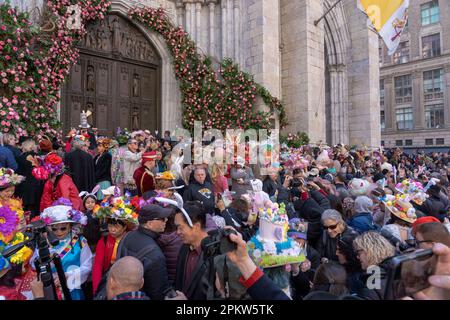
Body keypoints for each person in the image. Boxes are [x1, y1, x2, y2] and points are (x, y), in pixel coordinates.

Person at [32, 202, 93, 300]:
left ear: (70, 225)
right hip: (48, 289)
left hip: (72, 290)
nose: (58, 232)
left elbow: (87, 266)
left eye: (63, 228)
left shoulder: (80, 242)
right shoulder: (44, 242)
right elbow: (33, 262)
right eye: (54, 229)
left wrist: (68, 276)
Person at [117, 203, 172, 300]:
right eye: (162, 218)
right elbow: (157, 293)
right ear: (149, 223)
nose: (166, 220)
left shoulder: (127, 235)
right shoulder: (155, 255)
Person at [92, 198, 138, 296]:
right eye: (110, 226)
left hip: (127, 278)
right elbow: (98, 265)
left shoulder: (131, 239)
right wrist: (96, 288)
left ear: (125, 227)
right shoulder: (104, 241)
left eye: (116, 227)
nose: (112, 230)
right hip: (109, 277)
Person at [174, 202, 212, 300]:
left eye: (180, 227)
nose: (177, 232)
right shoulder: (184, 248)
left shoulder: (215, 254)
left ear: (196, 227)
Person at [353, 231, 396, 300]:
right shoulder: (394, 269)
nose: (357, 257)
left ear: (369, 251)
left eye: (358, 253)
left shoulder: (373, 284)